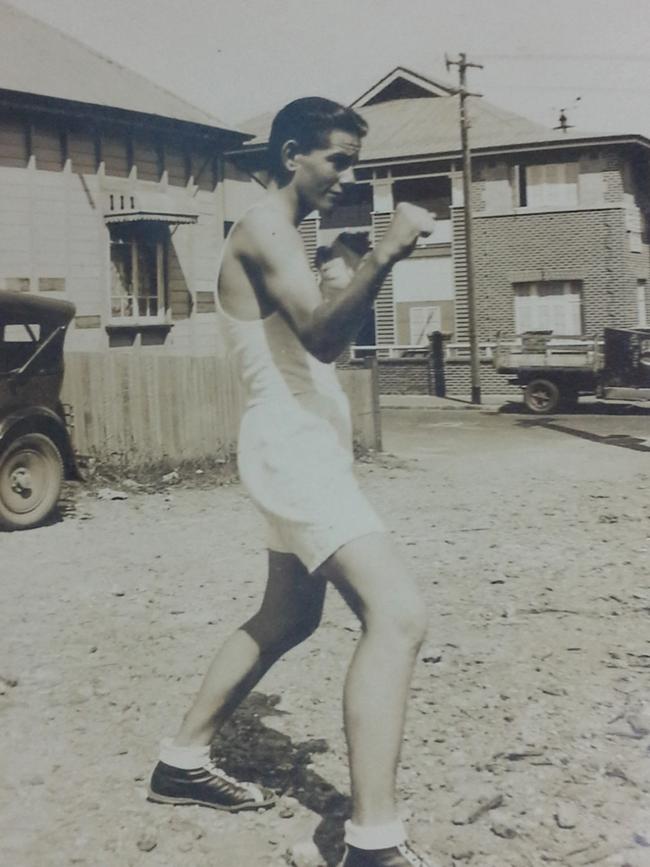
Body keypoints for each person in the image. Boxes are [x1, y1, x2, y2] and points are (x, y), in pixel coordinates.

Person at [148, 97, 437, 867]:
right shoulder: (262, 226)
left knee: (288, 615)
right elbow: (319, 334)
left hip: (304, 441)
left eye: (355, 162)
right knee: (399, 614)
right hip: (293, 446)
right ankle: (372, 843)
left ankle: (182, 758)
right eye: (338, 160)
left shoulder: (287, 237)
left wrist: (349, 270)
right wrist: (383, 254)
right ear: (290, 156)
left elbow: (322, 342)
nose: (349, 175)